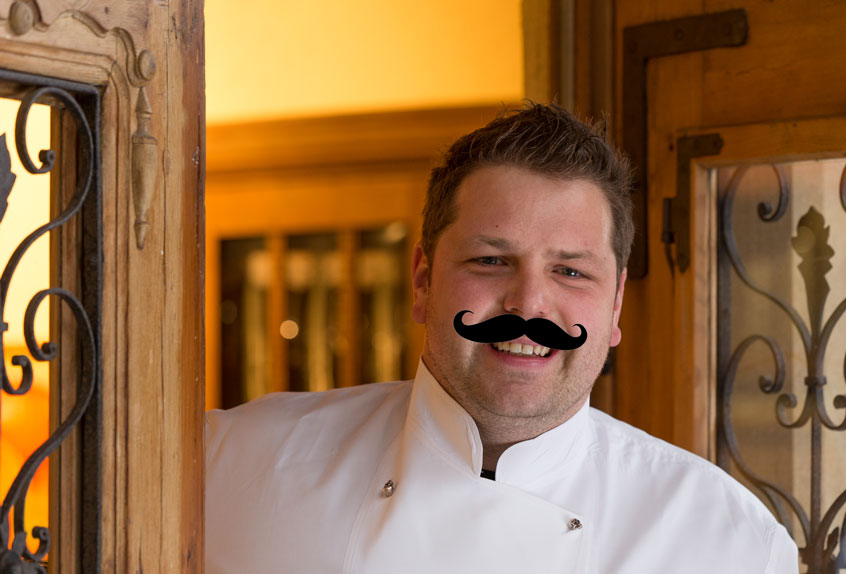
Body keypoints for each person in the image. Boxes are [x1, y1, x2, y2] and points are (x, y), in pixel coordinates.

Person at [205, 103, 799, 573]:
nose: (529, 304)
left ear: (615, 303)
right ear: (423, 280)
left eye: (570, 271)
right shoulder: (233, 465)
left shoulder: (729, 542)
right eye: (491, 261)